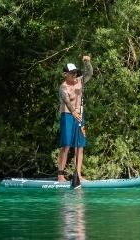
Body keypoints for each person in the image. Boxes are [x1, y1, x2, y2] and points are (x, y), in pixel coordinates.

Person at [56, 55, 94, 184]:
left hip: (80, 116)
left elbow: (89, 73)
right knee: (66, 145)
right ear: (65, 74)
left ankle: (78, 174)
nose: (74, 75)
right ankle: (60, 175)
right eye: (71, 73)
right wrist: (73, 112)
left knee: (80, 146)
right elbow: (66, 101)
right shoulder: (63, 87)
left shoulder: (80, 81)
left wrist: (87, 63)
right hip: (67, 115)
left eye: (75, 72)